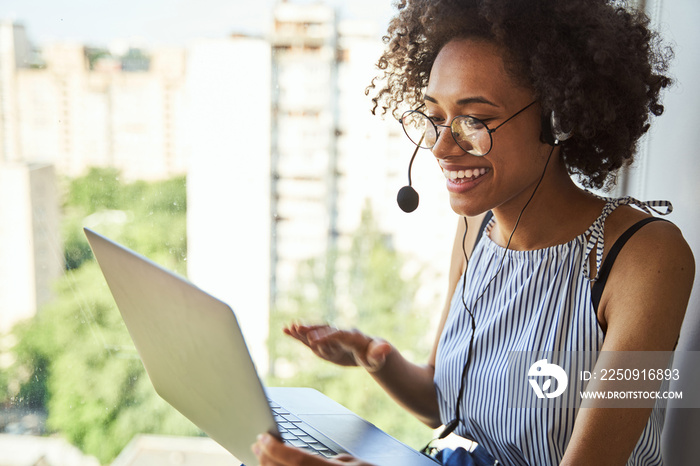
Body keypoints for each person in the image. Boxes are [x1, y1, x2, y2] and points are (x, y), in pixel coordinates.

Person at [252, 0, 695, 464]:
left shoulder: (646, 258)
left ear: (558, 119)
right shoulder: (475, 225)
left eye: (473, 120)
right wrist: (375, 357)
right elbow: (452, 410)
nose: (443, 147)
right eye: (435, 118)